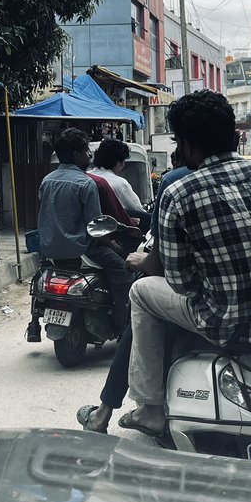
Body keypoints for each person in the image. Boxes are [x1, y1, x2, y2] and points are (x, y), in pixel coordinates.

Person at [120, 90, 251, 437]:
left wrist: (143, 261)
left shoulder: (179, 193)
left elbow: (182, 282)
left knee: (140, 291)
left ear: (187, 146)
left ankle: (150, 408)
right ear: (235, 134)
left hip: (228, 327)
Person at [76, 150, 192, 434]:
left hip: (84, 249)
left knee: (138, 293)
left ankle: (131, 410)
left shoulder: (176, 182)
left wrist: (141, 259)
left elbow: (160, 253)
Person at [35, 127, 131, 333]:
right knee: (124, 273)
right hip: (82, 250)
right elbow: (96, 225)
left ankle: (35, 321)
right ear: (77, 154)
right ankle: (125, 330)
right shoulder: (86, 183)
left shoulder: (47, 180)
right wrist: (113, 243)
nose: (89, 155)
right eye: (87, 150)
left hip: (50, 250)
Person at [91, 137, 149, 224]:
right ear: (118, 162)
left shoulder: (86, 177)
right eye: (123, 161)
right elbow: (137, 210)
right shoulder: (119, 183)